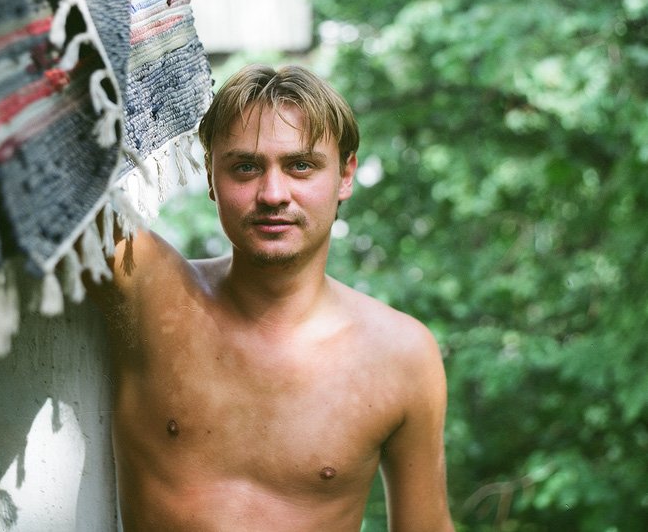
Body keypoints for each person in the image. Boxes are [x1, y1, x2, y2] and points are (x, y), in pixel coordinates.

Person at [89, 64, 454, 531]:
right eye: (246, 167)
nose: (273, 194)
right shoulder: (150, 293)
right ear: (210, 176)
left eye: (300, 165)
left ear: (345, 175)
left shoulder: (401, 356)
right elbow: (49, 172)